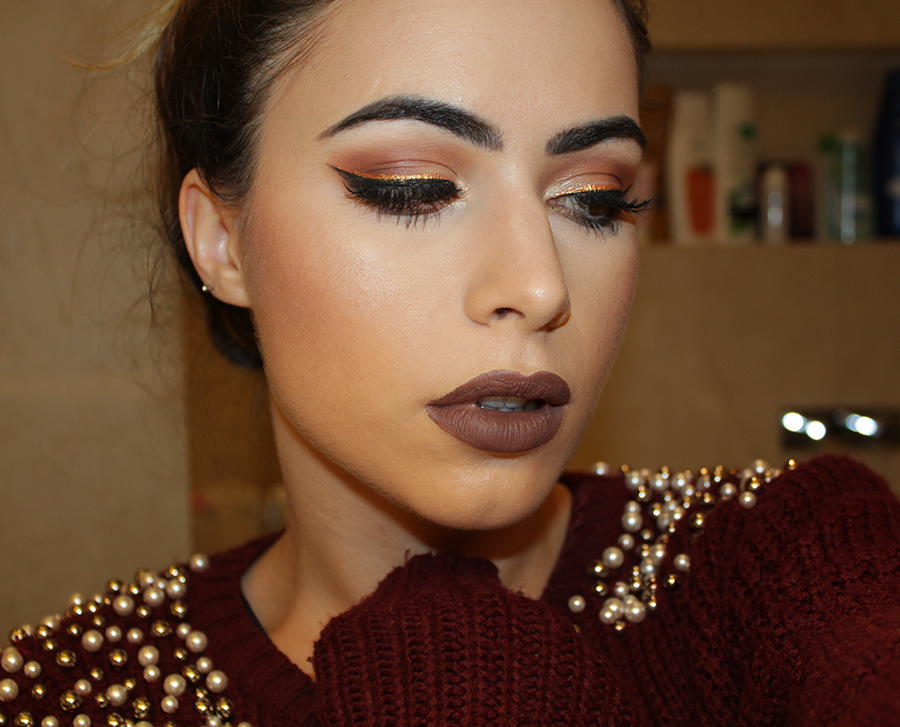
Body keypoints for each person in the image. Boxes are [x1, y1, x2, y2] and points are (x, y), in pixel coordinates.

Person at [2, 0, 899, 725]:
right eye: (413, 189)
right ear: (223, 240)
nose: (539, 285)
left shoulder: (785, 562)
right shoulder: (64, 694)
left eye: (594, 199)